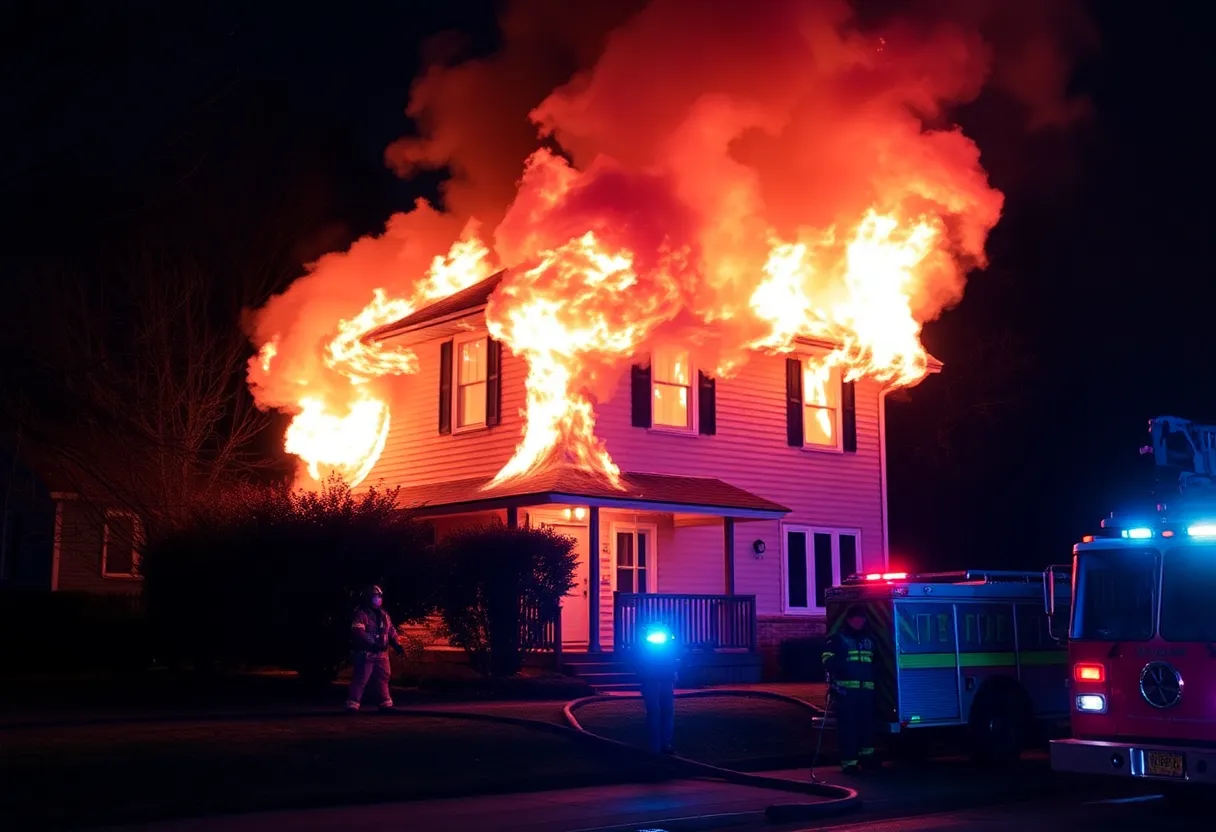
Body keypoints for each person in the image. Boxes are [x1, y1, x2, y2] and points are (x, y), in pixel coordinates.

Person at [822, 604, 878, 773]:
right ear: (848, 620)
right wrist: (841, 669)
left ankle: (866, 757)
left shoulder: (868, 640)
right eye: (856, 618)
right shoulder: (838, 639)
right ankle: (849, 762)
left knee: (866, 725)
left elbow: (875, 662)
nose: (860, 621)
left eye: (862, 618)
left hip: (866, 691)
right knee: (848, 727)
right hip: (847, 692)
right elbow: (826, 659)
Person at [346, 585, 405, 713]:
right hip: (366, 653)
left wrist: (397, 645)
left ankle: (385, 704)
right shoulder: (361, 614)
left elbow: (391, 631)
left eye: (378, 596)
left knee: (383, 678)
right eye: (374, 596)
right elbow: (358, 631)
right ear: (368, 598)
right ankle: (352, 704)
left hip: (382, 654)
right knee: (361, 678)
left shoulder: (384, 615)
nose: (377, 599)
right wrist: (371, 644)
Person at [633, 621, 680, 754]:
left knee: (667, 710)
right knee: (654, 711)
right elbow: (637, 660)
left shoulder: (670, 641)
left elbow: (675, 656)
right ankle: (655, 745)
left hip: (665, 678)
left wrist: (674, 671)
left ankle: (665, 743)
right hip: (650, 679)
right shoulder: (643, 644)